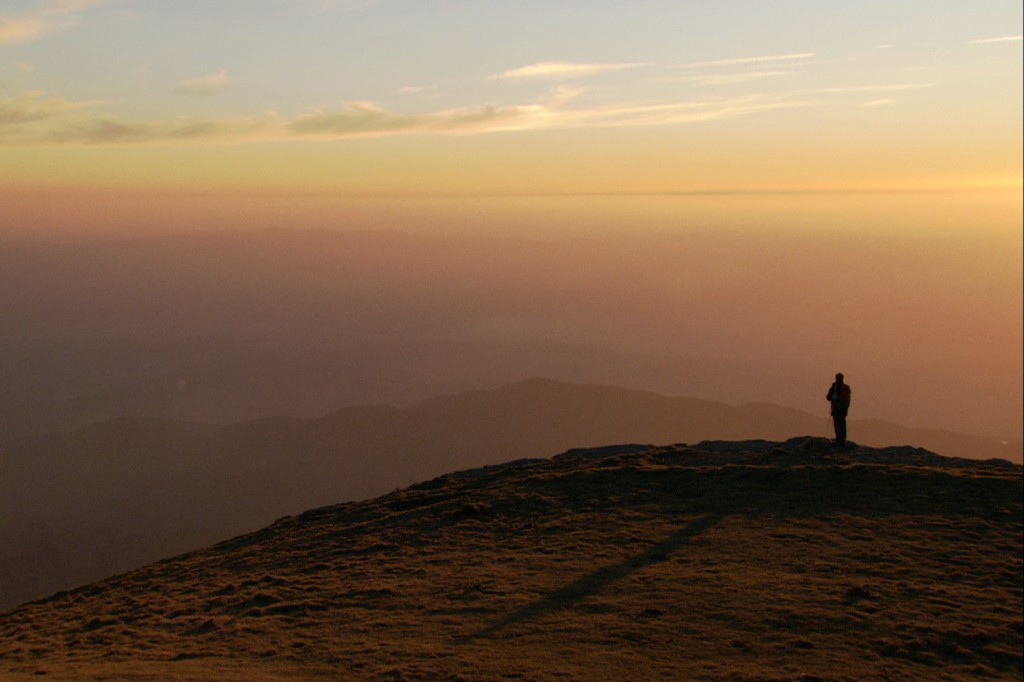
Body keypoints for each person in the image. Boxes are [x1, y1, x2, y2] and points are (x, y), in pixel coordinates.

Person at [826, 373, 852, 446]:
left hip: (836, 409)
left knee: (837, 425)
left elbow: (828, 397)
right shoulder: (846, 388)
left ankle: (838, 441)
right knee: (842, 425)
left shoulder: (835, 387)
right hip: (843, 410)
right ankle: (842, 441)